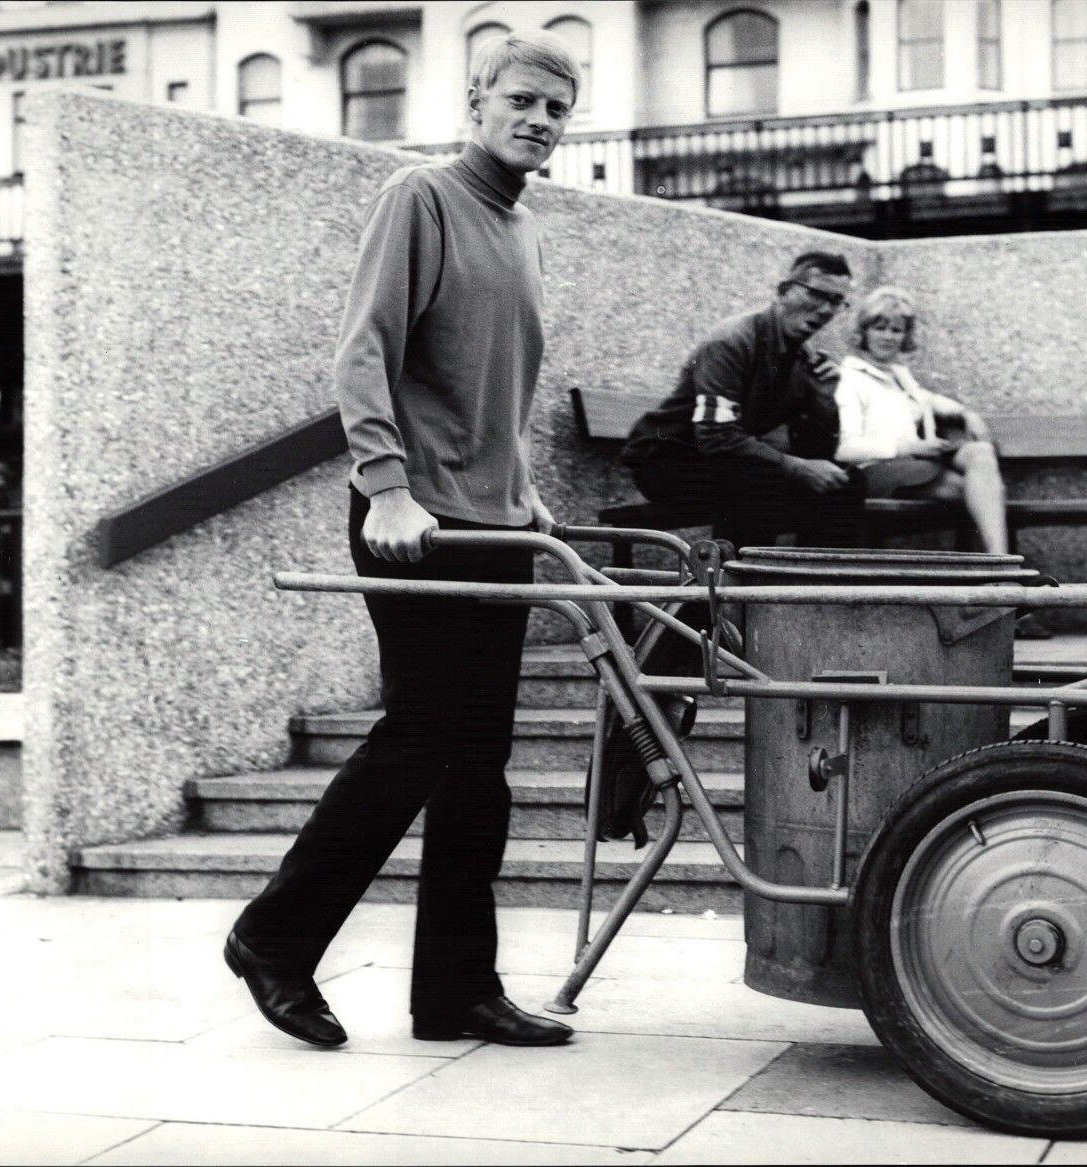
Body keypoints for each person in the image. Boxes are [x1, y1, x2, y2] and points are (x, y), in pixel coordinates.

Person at [223, 31, 580, 1050]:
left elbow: (491, 384)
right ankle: (275, 938)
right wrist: (385, 486)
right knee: (419, 738)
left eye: (555, 110)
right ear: (476, 100)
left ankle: (455, 989)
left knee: (482, 762)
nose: (536, 121)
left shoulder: (521, 228)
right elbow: (363, 352)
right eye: (519, 101)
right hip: (413, 522)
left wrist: (522, 493)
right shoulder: (421, 198)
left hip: (493, 522)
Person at [618, 252, 867, 552]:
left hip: (725, 463)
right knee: (760, 483)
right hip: (668, 463)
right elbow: (715, 437)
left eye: (837, 301)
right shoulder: (732, 341)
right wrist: (796, 466)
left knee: (846, 483)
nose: (826, 309)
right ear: (783, 291)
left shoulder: (805, 358)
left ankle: (811, 589)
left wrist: (825, 396)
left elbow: (817, 449)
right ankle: (731, 589)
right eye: (816, 294)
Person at [832, 286, 1009, 556]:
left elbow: (930, 399)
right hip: (875, 473)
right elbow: (846, 448)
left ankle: (1000, 562)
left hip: (914, 467)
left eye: (896, 330)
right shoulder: (850, 378)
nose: (888, 337)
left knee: (981, 453)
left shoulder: (898, 375)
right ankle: (1001, 563)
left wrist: (965, 414)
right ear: (864, 332)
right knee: (984, 493)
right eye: (880, 328)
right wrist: (908, 448)